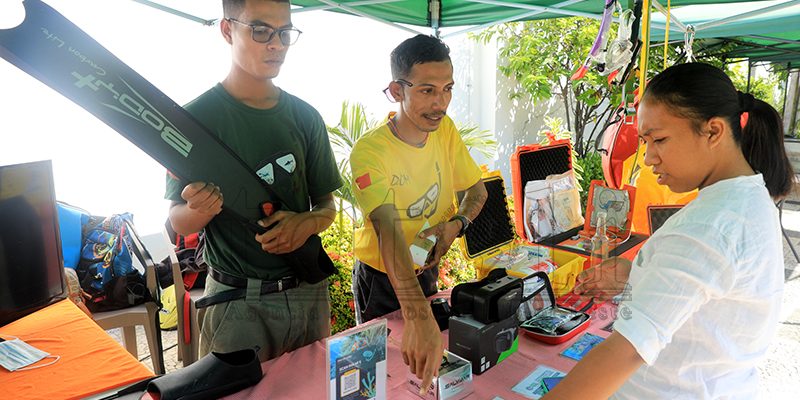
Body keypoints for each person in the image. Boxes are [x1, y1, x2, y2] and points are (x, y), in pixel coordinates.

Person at [545, 62, 794, 399]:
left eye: (659, 140)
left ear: (714, 131)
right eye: (645, 141)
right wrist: (637, 275)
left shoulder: (710, 225)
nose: (649, 158)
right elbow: (710, 295)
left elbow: (628, 350)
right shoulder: (747, 197)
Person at [165, 0, 341, 362]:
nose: (276, 44)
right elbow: (176, 220)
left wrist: (306, 222)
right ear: (228, 30)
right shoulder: (193, 120)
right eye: (260, 30)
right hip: (237, 302)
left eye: (285, 32)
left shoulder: (306, 117)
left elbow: (326, 207)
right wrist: (201, 209)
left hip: (308, 292)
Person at [349, 34, 488, 392]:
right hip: (381, 279)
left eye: (447, 89)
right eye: (427, 90)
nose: (440, 103)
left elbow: (477, 191)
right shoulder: (370, 152)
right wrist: (416, 312)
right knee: (381, 377)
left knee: (422, 370)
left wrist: (457, 225)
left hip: (425, 267)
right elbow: (388, 232)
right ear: (397, 90)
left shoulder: (445, 132)